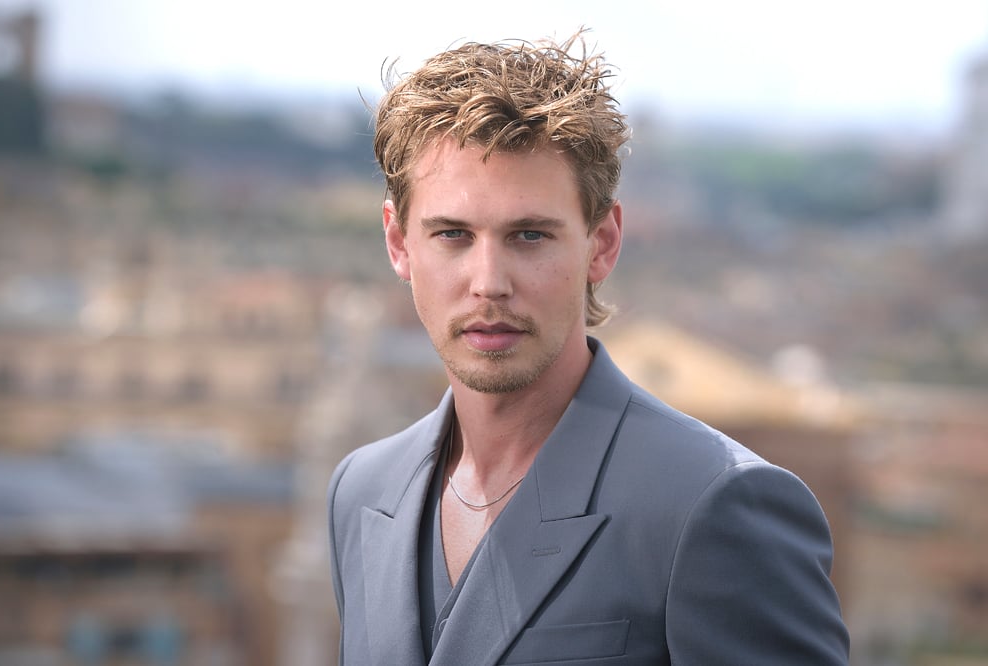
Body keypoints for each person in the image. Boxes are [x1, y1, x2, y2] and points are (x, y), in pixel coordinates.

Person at [327, 29, 850, 665]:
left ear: (600, 243)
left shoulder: (713, 505)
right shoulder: (360, 492)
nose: (488, 283)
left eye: (529, 236)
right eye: (453, 235)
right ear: (398, 241)